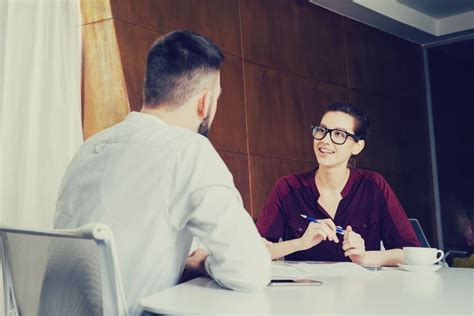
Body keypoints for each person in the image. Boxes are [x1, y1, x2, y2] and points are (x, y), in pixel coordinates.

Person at [52, 31, 271, 315]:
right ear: (204, 103)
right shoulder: (189, 151)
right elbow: (250, 271)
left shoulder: (90, 147)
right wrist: (203, 262)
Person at [256, 102, 420, 266]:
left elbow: (410, 253)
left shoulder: (373, 185)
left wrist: (365, 258)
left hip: (361, 290)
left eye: (339, 134)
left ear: (357, 146)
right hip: (306, 289)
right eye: (321, 130)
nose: (325, 140)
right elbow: (253, 250)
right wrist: (300, 243)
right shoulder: (288, 187)